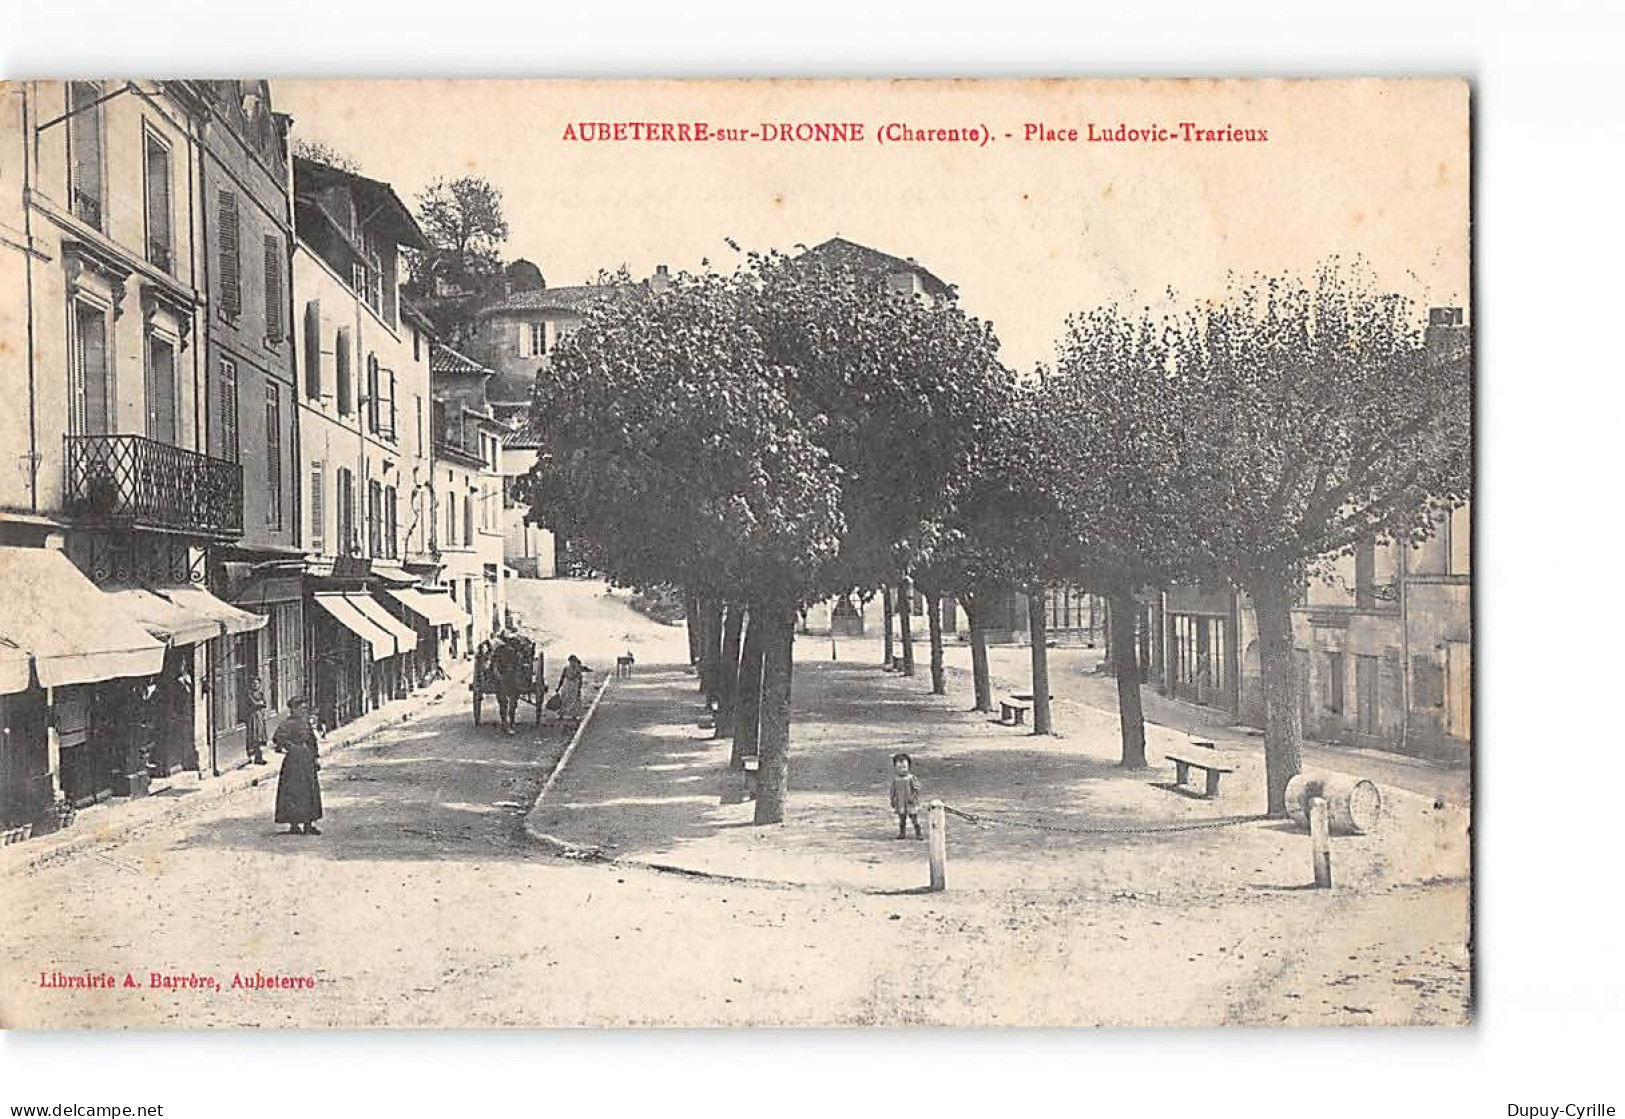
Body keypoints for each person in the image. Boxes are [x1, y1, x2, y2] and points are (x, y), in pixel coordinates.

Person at [272, 697, 323, 836]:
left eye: (304, 708)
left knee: (310, 791)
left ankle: (308, 824)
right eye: (300, 708)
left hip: (307, 759)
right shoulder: (287, 723)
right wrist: (291, 747)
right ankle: (294, 824)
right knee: (294, 792)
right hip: (293, 762)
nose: (303, 710)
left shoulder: (305, 722)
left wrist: (316, 758)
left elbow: (312, 741)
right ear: (293, 709)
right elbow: (277, 738)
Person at [889, 752, 923, 840]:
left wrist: (913, 797)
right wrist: (892, 799)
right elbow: (893, 790)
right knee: (902, 819)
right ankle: (902, 833)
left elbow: (916, 789)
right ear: (895, 768)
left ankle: (918, 833)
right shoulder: (895, 779)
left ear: (908, 767)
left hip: (910, 802)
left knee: (914, 818)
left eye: (904, 767)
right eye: (899, 768)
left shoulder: (911, 778)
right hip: (900, 802)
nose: (902, 770)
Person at [555, 654, 590, 727]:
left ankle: (574, 715)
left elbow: (580, 679)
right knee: (564, 699)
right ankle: (561, 714)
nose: (572, 663)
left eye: (573, 661)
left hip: (574, 684)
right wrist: (558, 687)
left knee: (575, 700)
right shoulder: (566, 668)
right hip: (567, 684)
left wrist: (579, 687)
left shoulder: (578, 669)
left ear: (575, 661)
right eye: (571, 661)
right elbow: (562, 677)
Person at [245, 677, 269, 766]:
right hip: (252, 716)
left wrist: (260, 704)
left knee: (259, 736)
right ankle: (253, 756)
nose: (255, 685)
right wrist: (260, 703)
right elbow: (254, 703)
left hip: (259, 716)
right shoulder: (249, 693)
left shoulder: (260, 693)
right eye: (254, 683)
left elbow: (265, 704)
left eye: (257, 683)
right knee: (253, 735)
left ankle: (259, 757)